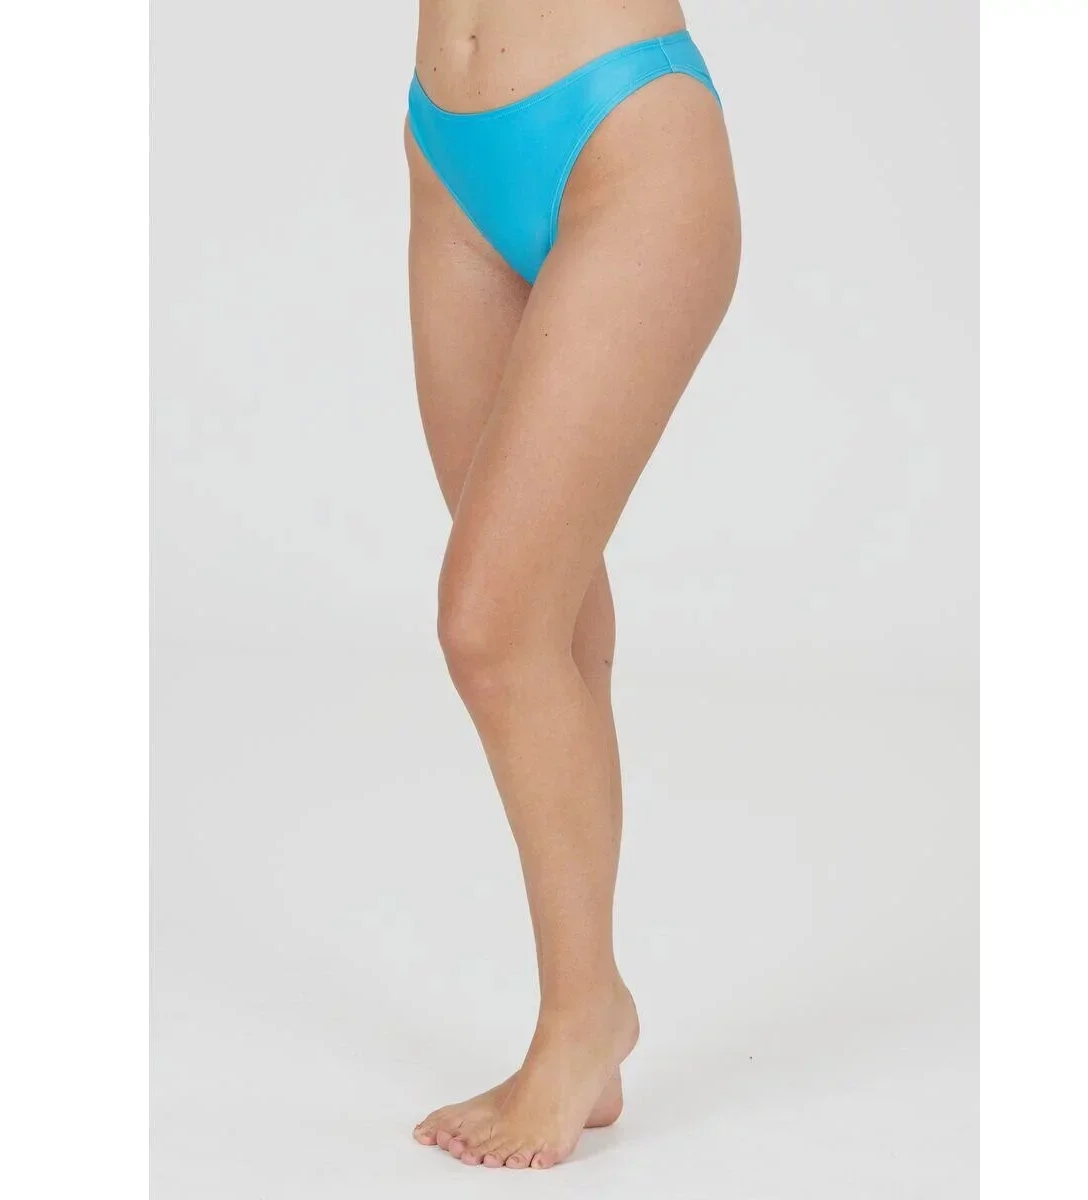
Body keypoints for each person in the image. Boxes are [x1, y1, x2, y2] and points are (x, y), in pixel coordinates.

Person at [406, 0, 740, 1170]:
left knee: (490, 626)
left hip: (625, 137)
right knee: (543, 619)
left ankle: (581, 1016)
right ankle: (584, 1016)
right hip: (448, 154)